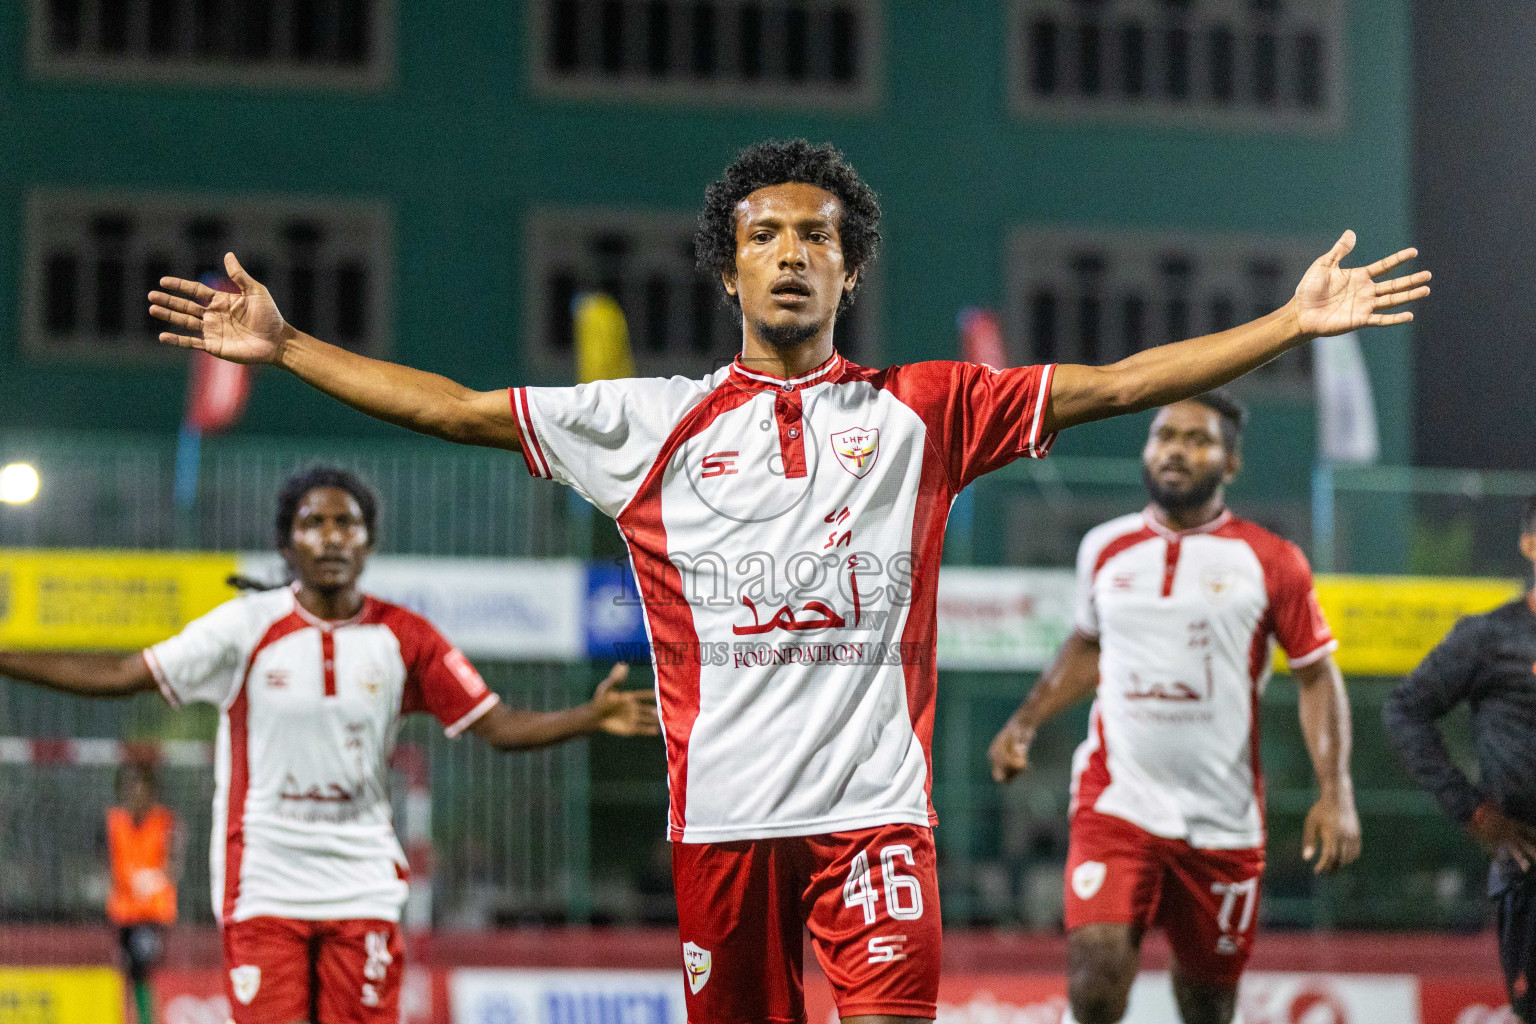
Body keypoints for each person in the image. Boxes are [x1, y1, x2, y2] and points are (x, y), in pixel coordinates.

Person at [145, 139, 1425, 1024]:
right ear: (729, 267)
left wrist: (1287, 323)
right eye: (765, 236)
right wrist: (291, 345)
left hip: (877, 820)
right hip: (723, 833)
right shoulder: (651, 423)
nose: (793, 254)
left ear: (851, 267)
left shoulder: (927, 413)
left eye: (818, 236)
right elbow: (459, 410)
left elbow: (1113, 383)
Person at [0, 466, 659, 1024]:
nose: (332, 536)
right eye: (313, 523)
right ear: (287, 542)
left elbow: (497, 725)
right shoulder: (245, 627)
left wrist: (588, 717)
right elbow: (120, 675)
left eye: (347, 523)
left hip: (363, 885)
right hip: (264, 884)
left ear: (369, 540)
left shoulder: (406, 638)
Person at [988, 392, 1361, 1024]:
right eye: (1164, 436)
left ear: (1231, 463)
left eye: (1197, 439)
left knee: (1208, 1004)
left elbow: (1316, 677)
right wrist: (1024, 721)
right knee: (1096, 979)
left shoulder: (1272, 561)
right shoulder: (1104, 548)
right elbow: (1088, 644)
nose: (1176, 451)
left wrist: (1336, 791)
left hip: (1222, 819)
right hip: (1116, 801)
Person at [1384, 497, 1536, 1024]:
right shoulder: (1490, 637)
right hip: (1529, 866)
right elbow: (1405, 711)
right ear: (1529, 544)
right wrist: (1470, 809)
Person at [107, 760, 183, 1024]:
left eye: (141, 787)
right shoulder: (114, 821)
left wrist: (154, 879)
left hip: (153, 913)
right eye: (130, 787)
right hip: (123, 913)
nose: (135, 794)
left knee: (143, 970)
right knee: (127, 972)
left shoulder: (165, 822)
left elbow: (174, 866)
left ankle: (148, 1020)